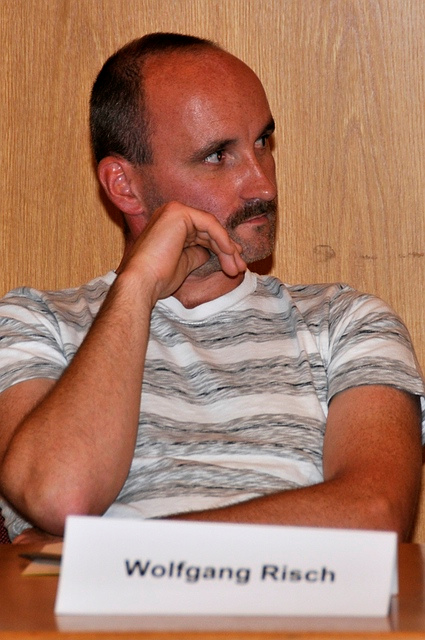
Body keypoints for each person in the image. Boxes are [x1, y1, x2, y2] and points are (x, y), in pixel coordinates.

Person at [0, 33, 424, 545]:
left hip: (286, 604)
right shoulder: (34, 322)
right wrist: (137, 287)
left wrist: (107, 550)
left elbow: (375, 513)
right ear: (124, 186)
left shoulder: (345, 320)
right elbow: (60, 495)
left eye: (262, 142)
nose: (263, 185)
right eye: (219, 155)